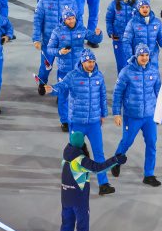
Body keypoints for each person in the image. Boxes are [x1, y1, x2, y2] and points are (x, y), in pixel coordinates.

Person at [45, 50, 115, 196]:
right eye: (88, 62)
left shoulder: (99, 76)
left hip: (94, 123)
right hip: (77, 122)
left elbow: (102, 96)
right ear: (83, 62)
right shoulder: (72, 76)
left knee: (99, 153)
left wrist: (103, 114)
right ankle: (74, 182)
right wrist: (51, 89)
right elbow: (61, 86)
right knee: (75, 155)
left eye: (93, 62)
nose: (91, 64)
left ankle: (104, 183)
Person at [58, 131, 127, 231]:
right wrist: (116, 160)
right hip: (79, 199)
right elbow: (97, 168)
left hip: (65, 197)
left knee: (67, 223)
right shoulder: (79, 160)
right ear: (82, 143)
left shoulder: (65, 158)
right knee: (82, 226)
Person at [111, 45, 162, 187]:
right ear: (136, 56)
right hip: (132, 115)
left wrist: (160, 112)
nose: (144, 58)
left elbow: (159, 92)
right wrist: (116, 113)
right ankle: (116, 161)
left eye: (146, 55)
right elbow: (117, 94)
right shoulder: (126, 72)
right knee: (127, 142)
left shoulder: (154, 70)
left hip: (149, 116)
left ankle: (149, 174)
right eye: (142, 55)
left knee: (152, 144)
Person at [47, 8, 102, 131]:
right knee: (63, 95)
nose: (71, 21)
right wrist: (59, 52)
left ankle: (80, 118)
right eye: (68, 19)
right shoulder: (57, 32)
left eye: (72, 18)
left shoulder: (81, 29)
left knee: (81, 95)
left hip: (79, 70)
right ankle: (65, 121)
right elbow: (50, 49)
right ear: (64, 19)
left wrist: (98, 34)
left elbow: (95, 39)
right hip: (64, 69)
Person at [32, 0, 75, 94]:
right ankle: (42, 84)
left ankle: (60, 90)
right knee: (46, 66)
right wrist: (36, 39)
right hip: (48, 42)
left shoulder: (71, 1)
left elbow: (78, 20)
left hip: (65, 42)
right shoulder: (44, 0)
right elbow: (37, 20)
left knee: (64, 68)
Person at [121, 0, 162, 68]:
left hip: (152, 56)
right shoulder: (132, 23)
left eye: (147, 7)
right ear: (138, 9)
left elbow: (161, 36)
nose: (145, 9)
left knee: (152, 75)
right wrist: (130, 57)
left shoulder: (157, 22)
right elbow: (126, 41)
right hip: (138, 57)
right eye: (142, 7)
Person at [105, 0, 138, 71]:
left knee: (134, 64)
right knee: (121, 64)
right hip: (119, 39)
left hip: (133, 39)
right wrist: (111, 32)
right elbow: (109, 20)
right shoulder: (114, 4)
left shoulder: (136, 4)